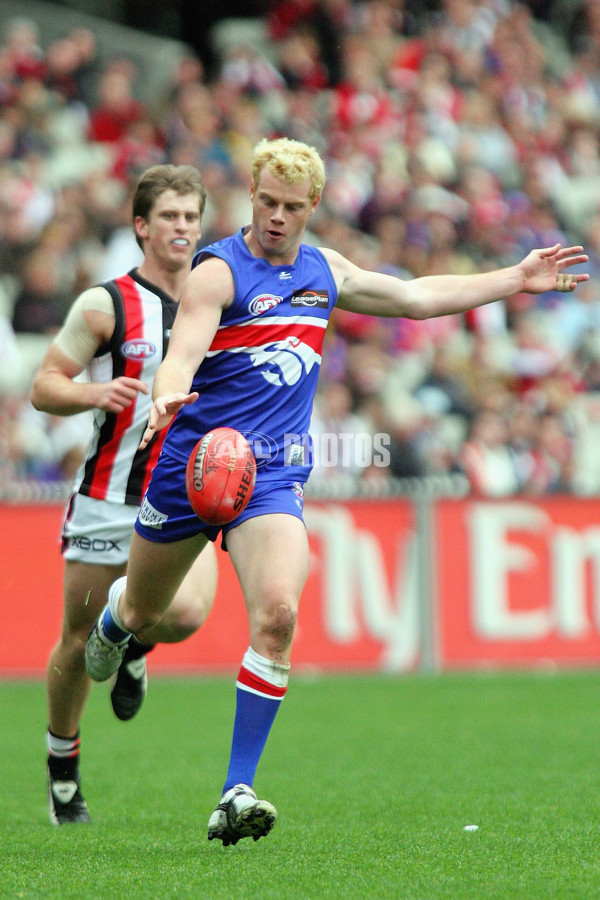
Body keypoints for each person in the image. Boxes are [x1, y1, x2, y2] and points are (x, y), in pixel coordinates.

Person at [84, 137, 589, 846]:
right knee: (145, 607)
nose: (277, 217)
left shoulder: (326, 271)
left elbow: (415, 297)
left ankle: (236, 789)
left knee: (280, 615)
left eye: (293, 207)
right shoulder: (216, 273)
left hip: (269, 477)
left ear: (313, 207)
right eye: (266, 202)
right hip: (192, 467)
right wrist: (166, 398)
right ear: (251, 195)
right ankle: (115, 626)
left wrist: (516, 276)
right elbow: (184, 352)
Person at [30, 164, 218, 826]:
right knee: (77, 642)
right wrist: (91, 392)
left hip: (185, 499)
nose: (183, 228)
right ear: (142, 226)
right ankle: (62, 772)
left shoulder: (221, 298)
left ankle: (134, 638)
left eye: (192, 217)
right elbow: (42, 384)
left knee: (188, 615)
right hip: (107, 497)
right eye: (170, 216)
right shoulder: (105, 304)